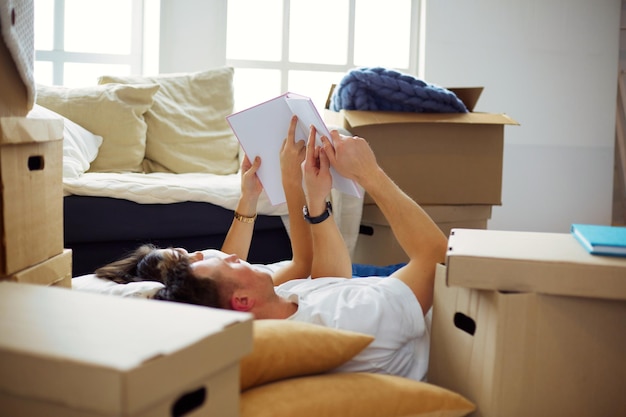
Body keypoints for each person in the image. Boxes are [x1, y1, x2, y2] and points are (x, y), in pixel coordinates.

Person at [97, 116, 447, 381]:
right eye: (227, 264)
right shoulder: (345, 321)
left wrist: (303, 190)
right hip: (446, 311)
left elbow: (328, 279)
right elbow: (436, 259)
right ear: (242, 301)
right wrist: (369, 173)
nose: (230, 257)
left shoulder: (282, 306)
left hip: (384, 288)